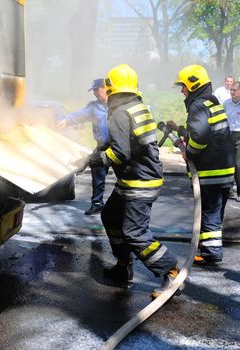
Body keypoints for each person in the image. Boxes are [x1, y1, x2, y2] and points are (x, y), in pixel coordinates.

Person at [87, 64, 179, 299]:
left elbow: (120, 153)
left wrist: (95, 160)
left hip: (140, 181)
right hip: (134, 179)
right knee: (110, 216)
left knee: (134, 232)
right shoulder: (137, 107)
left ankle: (171, 271)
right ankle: (123, 265)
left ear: (112, 88)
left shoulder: (119, 113)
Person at [167, 65, 235, 267]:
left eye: (183, 86)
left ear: (193, 85)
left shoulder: (198, 106)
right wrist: (179, 129)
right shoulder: (212, 103)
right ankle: (209, 248)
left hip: (210, 172)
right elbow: (204, 131)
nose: (182, 91)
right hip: (224, 170)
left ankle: (211, 253)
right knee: (214, 213)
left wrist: (189, 152)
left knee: (209, 212)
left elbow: (200, 137)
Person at [58, 78, 110, 215]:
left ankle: (126, 204)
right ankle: (97, 204)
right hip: (102, 146)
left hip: (119, 146)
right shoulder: (94, 107)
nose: (95, 94)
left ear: (106, 88)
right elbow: (80, 115)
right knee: (97, 174)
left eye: (97, 90)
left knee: (125, 176)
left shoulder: (117, 105)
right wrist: (67, 120)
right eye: (93, 91)